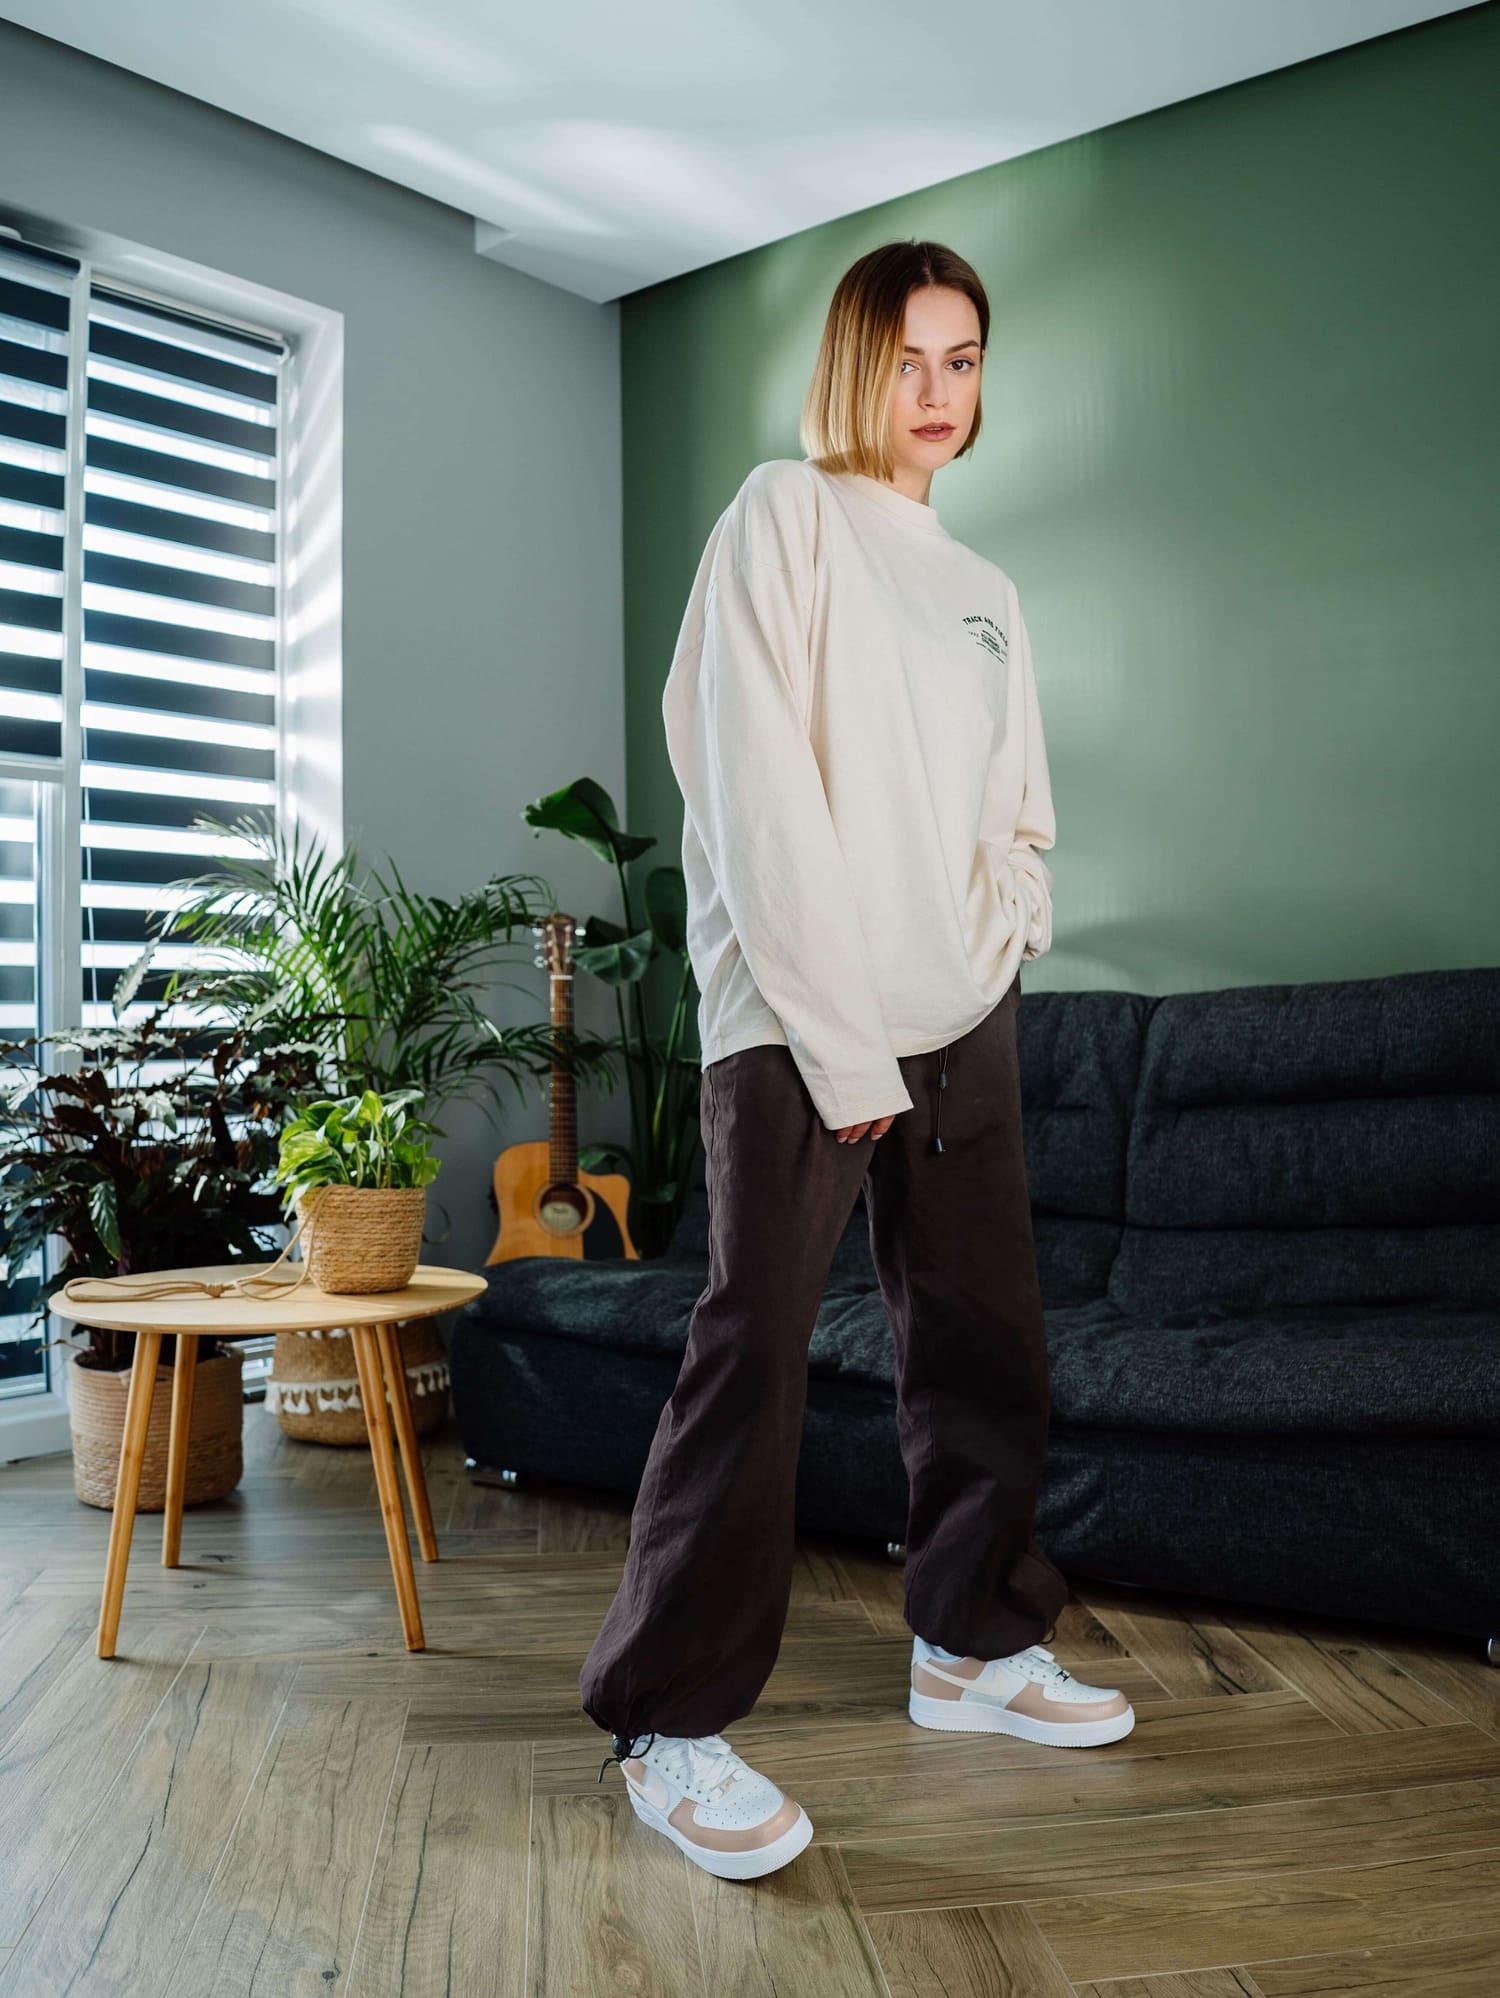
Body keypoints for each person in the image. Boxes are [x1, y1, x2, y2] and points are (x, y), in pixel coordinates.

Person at [579, 239, 1134, 1884]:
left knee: (984, 1336)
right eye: (911, 358)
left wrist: (1005, 927)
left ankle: (968, 1640)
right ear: (851, 363)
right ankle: (667, 1718)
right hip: (799, 1019)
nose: (941, 392)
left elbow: (1016, 808)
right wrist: (837, 1034)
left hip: (959, 1013)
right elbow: (750, 789)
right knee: (748, 1345)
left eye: (965, 361)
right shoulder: (782, 516)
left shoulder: (986, 594)